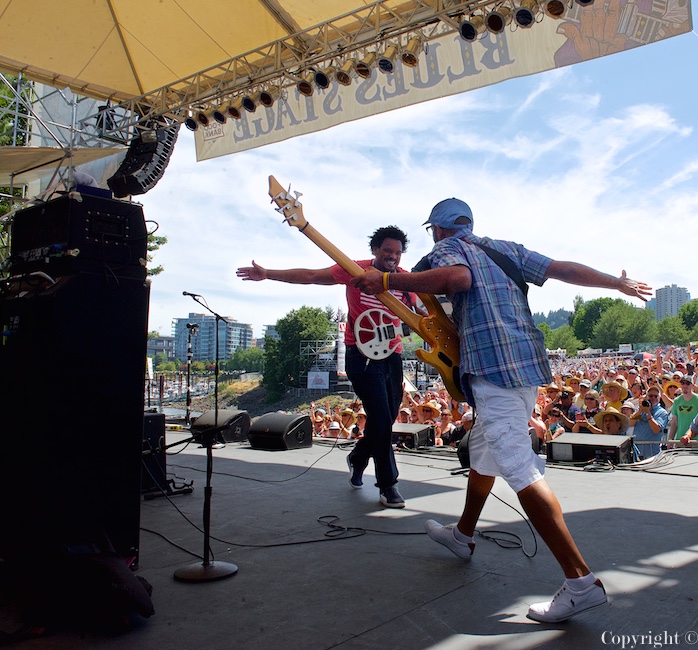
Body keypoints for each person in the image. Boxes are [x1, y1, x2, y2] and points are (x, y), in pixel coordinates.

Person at [350, 197, 651, 623]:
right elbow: (561, 268)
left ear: (437, 230)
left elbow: (457, 278)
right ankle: (463, 535)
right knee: (487, 451)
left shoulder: (445, 250)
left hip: (492, 367)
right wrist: (614, 284)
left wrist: (388, 281)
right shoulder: (505, 247)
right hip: (526, 364)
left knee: (515, 462)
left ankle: (581, 583)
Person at [237, 225, 416, 508]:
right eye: (387, 251)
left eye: (397, 253)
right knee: (380, 416)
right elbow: (310, 276)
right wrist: (268, 274)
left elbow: (426, 310)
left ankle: (357, 458)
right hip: (360, 354)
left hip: (392, 356)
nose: (393, 257)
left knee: (387, 419)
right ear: (374, 250)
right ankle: (388, 485)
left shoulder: (407, 281)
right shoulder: (353, 269)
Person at [667, 376, 698, 443]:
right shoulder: (677, 401)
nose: (685, 385)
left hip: (695, 441)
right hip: (680, 440)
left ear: (692, 385)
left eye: (687, 383)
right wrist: (670, 440)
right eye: (683, 383)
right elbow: (674, 422)